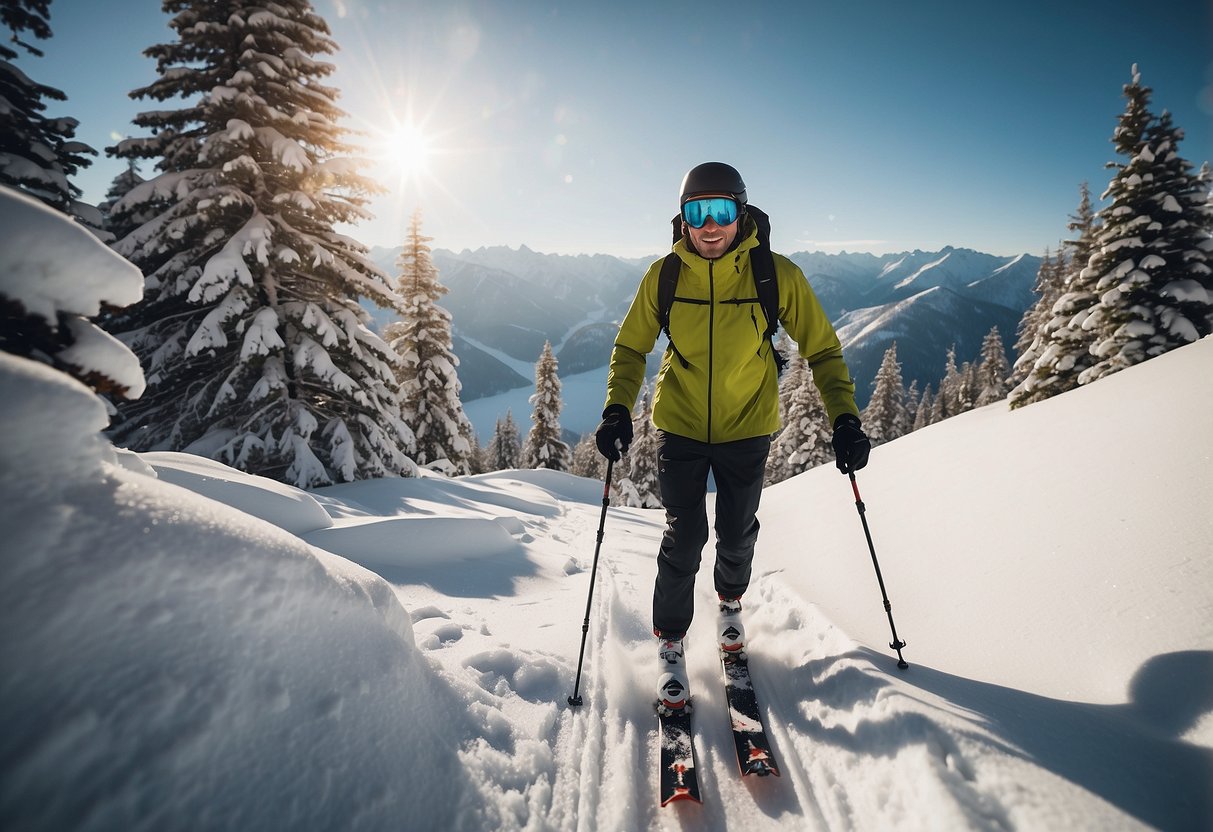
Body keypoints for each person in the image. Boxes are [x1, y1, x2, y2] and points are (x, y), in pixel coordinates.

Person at [594, 162, 871, 709]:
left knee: (737, 531)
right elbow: (630, 348)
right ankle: (671, 641)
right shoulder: (665, 276)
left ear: (741, 214)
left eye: (722, 210)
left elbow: (822, 349)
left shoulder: (774, 274)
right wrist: (616, 410)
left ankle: (728, 604)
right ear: (683, 220)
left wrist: (844, 417)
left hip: (748, 425)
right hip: (681, 426)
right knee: (685, 535)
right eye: (698, 213)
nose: (710, 225)